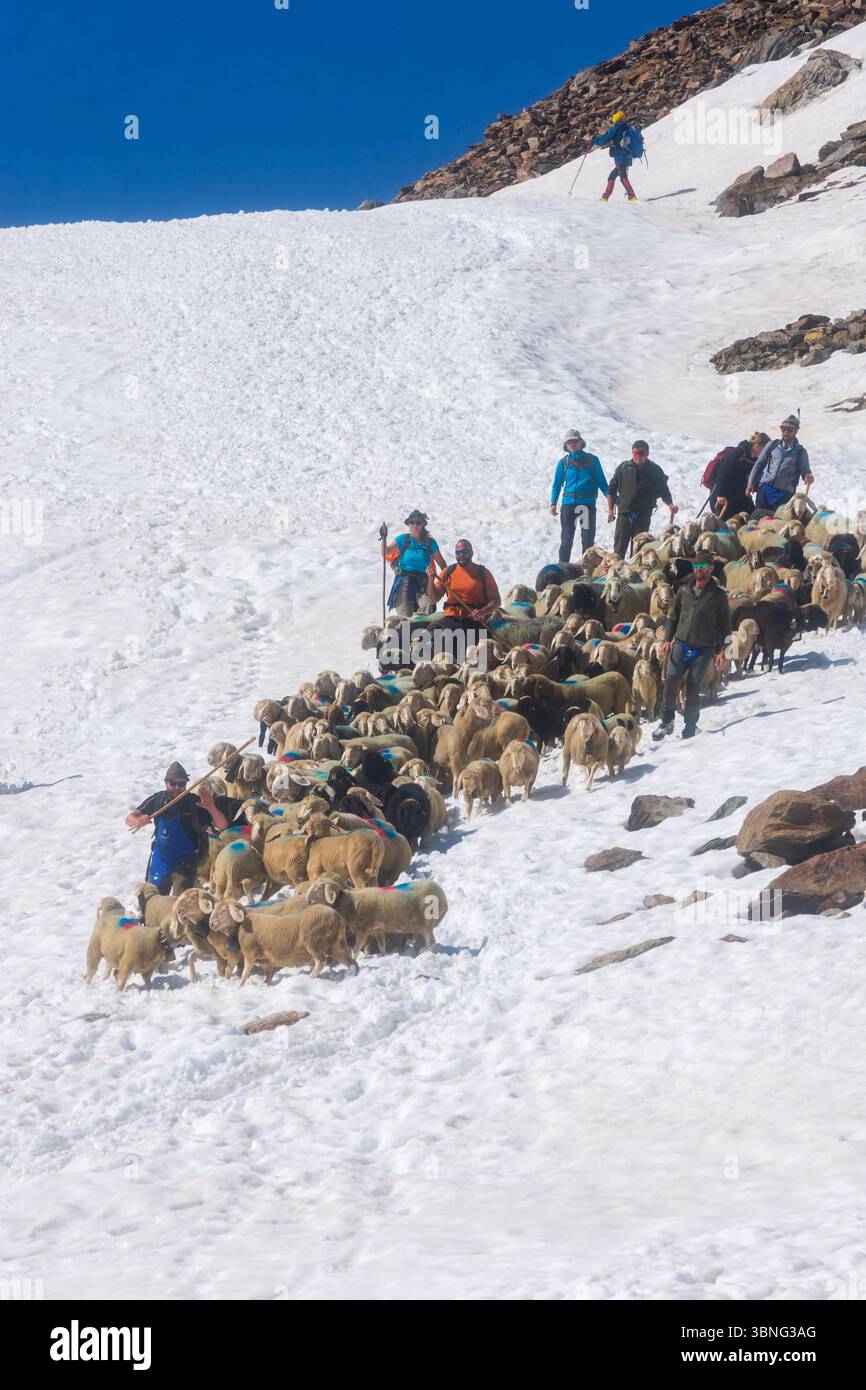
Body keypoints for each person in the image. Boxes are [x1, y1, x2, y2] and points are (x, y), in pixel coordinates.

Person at [125, 761, 244, 895]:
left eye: (181, 784)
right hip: (161, 859)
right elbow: (130, 818)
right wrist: (139, 820)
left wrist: (212, 808)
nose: (177, 787)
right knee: (153, 901)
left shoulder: (194, 802)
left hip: (185, 861)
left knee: (181, 903)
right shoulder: (157, 800)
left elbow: (222, 825)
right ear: (166, 783)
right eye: (172, 784)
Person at [653, 561, 731, 741]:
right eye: (696, 566)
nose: (699, 570)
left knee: (693, 686)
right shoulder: (683, 591)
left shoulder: (718, 595)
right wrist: (667, 640)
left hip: (704, 648)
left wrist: (724, 652)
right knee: (671, 679)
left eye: (703, 566)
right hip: (681, 644)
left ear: (710, 569)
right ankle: (666, 722)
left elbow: (726, 626)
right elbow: (673, 617)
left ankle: (690, 726)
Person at [608, 441, 678, 558]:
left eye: (641, 453)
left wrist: (670, 504)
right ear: (632, 452)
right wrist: (610, 510)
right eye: (635, 453)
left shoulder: (654, 470)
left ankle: (634, 574)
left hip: (643, 515)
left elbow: (664, 490)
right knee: (619, 549)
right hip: (624, 513)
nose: (638, 456)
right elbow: (611, 490)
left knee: (638, 550)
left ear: (647, 454)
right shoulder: (624, 467)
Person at [550, 429, 609, 562]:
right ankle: (563, 569)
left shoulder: (593, 460)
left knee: (587, 542)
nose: (573, 444)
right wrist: (553, 503)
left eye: (575, 441)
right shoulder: (563, 463)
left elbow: (602, 482)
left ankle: (587, 572)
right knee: (566, 540)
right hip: (568, 505)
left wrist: (612, 500)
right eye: (569, 442)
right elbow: (556, 484)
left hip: (586, 506)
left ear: (581, 442)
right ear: (566, 445)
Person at [380, 510, 446, 619]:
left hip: (424, 580)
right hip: (404, 579)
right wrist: (384, 537)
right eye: (412, 523)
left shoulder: (430, 543)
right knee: (404, 614)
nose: (414, 526)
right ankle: (407, 632)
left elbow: (443, 566)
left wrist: (442, 585)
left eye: (418, 523)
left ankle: (423, 631)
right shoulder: (403, 539)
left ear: (423, 525)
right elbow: (386, 552)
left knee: (428, 607)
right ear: (408, 524)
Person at [426, 539, 501, 631]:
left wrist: (482, 612)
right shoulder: (448, 572)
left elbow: (496, 600)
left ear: (472, 553)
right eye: (458, 553)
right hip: (451, 620)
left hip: (475, 622)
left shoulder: (483, 573)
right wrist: (430, 579)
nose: (461, 555)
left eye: (465, 552)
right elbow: (434, 598)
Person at [747, 416, 814, 511]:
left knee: (778, 524)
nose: (786, 433)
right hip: (765, 490)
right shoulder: (772, 445)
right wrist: (751, 483)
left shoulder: (800, 452)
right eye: (783, 430)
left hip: (784, 495)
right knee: (758, 520)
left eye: (790, 430)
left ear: (796, 431)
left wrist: (808, 476)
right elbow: (759, 464)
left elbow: (805, 471)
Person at [712, 432, 770, 519]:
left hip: (739, 492)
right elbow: (723, 472)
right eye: (765, 448)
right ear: (757, 445)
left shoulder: (754, 459)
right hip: (724, 494)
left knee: (751, 515)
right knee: (727, 522)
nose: (766, 452)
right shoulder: (737, 453)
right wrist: (720, 495)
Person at [593, 111, 640, 203]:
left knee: (622, 177)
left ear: (615, 119)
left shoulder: (615, 128)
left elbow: (604, 140)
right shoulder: (627, 127)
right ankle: (605, 197)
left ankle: (632, 196)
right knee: (612, 177)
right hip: (627, 155)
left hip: (620, 156)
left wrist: (594, 139)